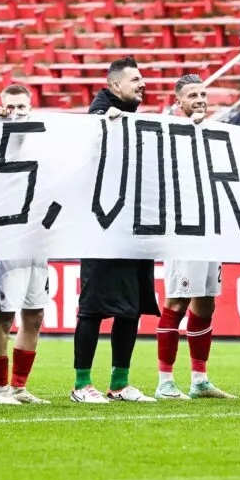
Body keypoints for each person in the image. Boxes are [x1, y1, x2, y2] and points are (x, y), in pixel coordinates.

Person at [71, 57, 158, 404]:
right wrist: (102, 128)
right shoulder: (96, 119)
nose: (142, 84)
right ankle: (81, 385)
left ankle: (120, 383)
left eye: (143, 78)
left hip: (133, 227)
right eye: (135, 79)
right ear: (115, 86)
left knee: (130, 308)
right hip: (101, 225)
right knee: (92, 308)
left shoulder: (136, 121)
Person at [155, 75, 235, 401]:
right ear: (178, 102)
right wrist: (191, 132)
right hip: (182, 228)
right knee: (177, 301)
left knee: (206, 304)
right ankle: (164, 382)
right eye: (192, 95)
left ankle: (200, 380)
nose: (201, 99)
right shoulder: (166, 131)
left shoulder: (213, 132)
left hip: (209, 227)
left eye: (203, 93)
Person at [0, 84, 50, 406]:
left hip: (38, 240)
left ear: (31, 106)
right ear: (0, 107)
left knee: (34, 315)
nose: (16, 111)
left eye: (21, 106)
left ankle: (19, 387)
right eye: (9, 106)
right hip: (8, 241)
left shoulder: (45, 139)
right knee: (4, 316)